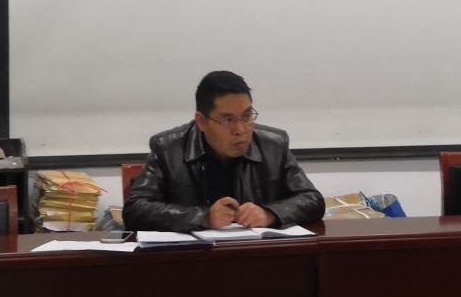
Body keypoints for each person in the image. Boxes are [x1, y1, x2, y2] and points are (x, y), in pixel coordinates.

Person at [123, 71, 324, 232]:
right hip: (194, 262)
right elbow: (136, 210)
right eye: (228, 120)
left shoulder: (273, 145)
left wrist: (270, 214)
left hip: (259, 257)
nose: (240, 129)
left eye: (247, 116)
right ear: (201, 121)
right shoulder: (168, 149)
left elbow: (312, 200)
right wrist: (203, 217)